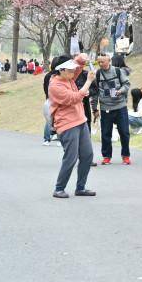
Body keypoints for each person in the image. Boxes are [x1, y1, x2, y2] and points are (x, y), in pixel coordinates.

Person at [47, 55, 96, 198]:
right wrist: (88, 82)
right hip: (67, 124)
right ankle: (59, 188)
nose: (73, 72)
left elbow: (79, 65)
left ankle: (80, 187)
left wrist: (82, 58)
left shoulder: (68, 78)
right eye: (70, 69)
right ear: (60, 70)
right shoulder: (55, 85)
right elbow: (73, 98)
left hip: (80, 121)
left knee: (87, 155)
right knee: (71, 157)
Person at [92, 53, 131, 166]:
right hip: (105, 107)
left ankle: (126, 156)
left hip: (120, 106)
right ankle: (106, 156)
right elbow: (95, 93)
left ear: (109, 61)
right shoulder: (98, 74)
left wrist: (121, 91)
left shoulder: (118, 71)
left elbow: (127, 84)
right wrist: (95, 109)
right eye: (99, 62)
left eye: (102, 61)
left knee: (124, 132)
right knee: (105, 133)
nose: (100, 64)